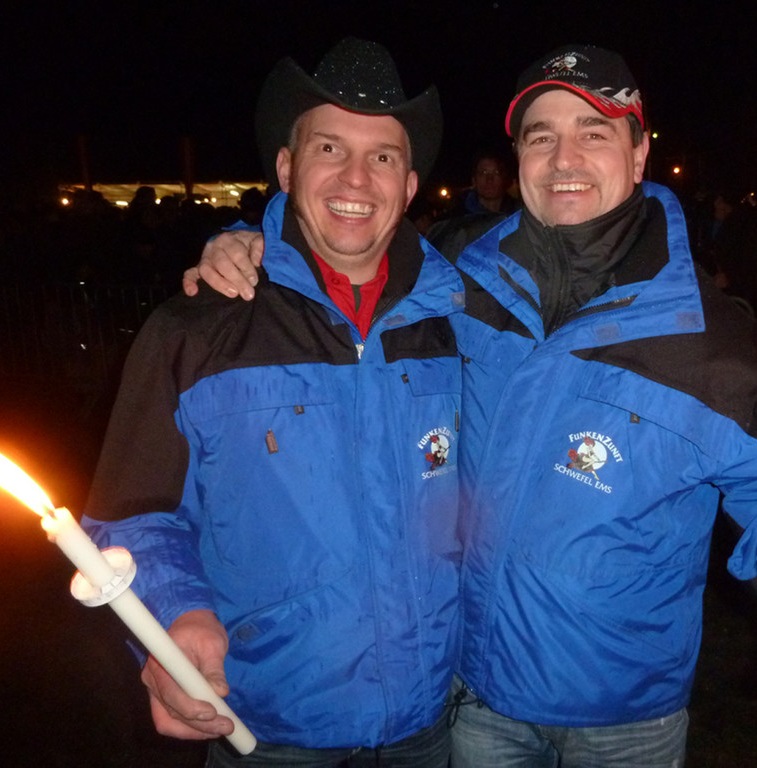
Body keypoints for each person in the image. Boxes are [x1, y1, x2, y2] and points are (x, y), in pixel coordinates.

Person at [188, 44, 757, 767]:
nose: (563, 158)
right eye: (541, 137)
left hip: (624, 714)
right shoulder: (455, 281)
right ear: (518, 159)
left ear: (639, 153)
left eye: (593, 132)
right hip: (477, 697)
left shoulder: (713, 338)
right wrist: (249, 246)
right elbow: (341, 253)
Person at [83, 38, 463, 767]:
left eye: (383, 156)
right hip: (268, 725)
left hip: (425, 723)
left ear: (410, 184)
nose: (357, 177)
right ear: (287, 168)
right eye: (329, 147)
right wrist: (176, 615)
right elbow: (130, 515)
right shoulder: (195, 330)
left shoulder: (456, 325)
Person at [427, 148, 518, 260]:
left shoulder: (518, 217)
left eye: (496, 173)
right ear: (474, 180)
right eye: (483, 173)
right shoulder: (454, 221)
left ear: (505, 179)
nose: (489, 179)